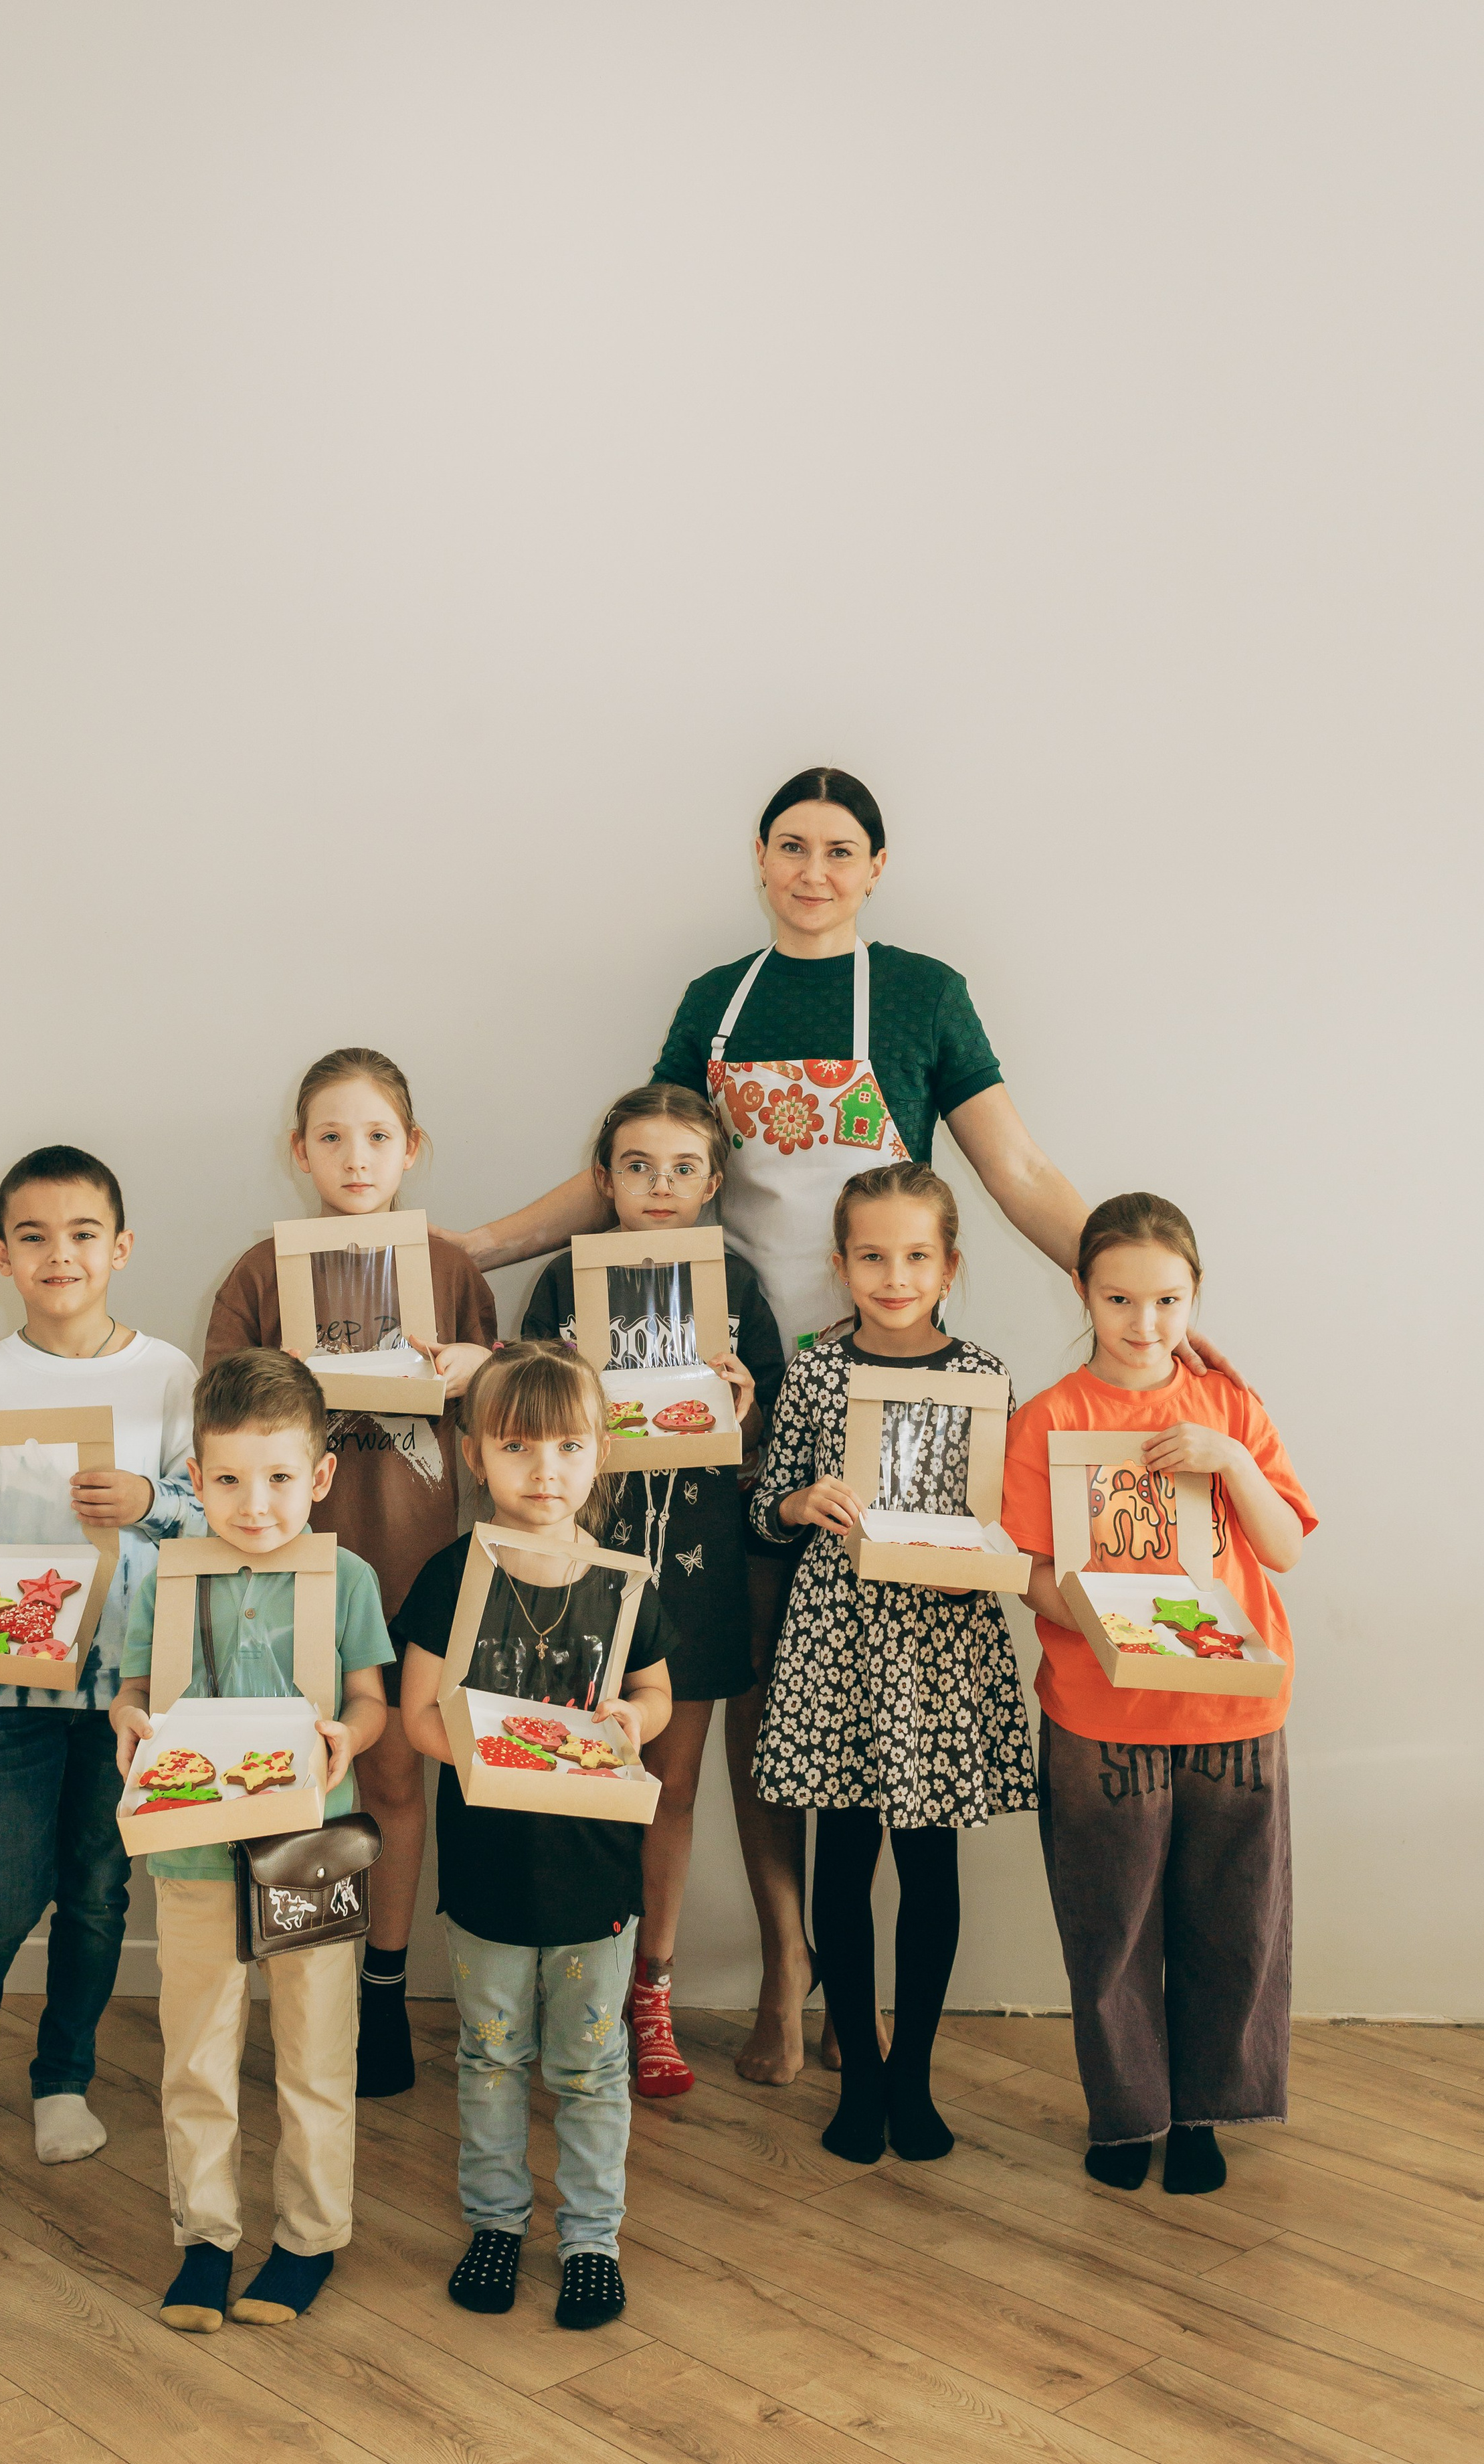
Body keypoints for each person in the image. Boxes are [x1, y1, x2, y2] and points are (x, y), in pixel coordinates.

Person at [460, 766, 1233, 2085]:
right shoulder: (716, 1001)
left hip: (887, 1393)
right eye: (788, 846)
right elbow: (629, 1166)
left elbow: (1017, 1171)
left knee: (807, 1698)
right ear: (757, 859)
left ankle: (804, 1983)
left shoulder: (924, 994)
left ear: (875, 866)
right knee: (751, 1696)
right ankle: (787, 1971)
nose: (811, 870)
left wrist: (1129, 1305)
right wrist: (461, 1250)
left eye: (837, 849)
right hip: (716, 1383)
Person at [1000, 1195, 1316, 2196]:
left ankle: (1205, 2112)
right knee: (1111, 1920)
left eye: (1168, 1300)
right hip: (1102, 1709)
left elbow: (1285, 1546)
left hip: (1235, 1708)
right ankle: (1127, 2113)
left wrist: (1225, 1458)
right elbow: (1026, 1568)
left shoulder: (1230, 1405)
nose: (1145, 1322)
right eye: (1120, 1297)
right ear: (1084, 1292)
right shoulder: (1050, 1417)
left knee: (1233, 1918)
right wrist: (1104, 1618)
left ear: (1196, 1296)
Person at [205, 1046, 496, 2097]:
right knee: (302, 1784)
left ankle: (381, 1985)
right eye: (331, 1135)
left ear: (412, 1148)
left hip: (417, 1575)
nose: (356, 1155)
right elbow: (220, 1426)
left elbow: (500, 1434)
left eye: (378, 1135)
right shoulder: (259, 1273)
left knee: (392, 1777)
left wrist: (483, 1368)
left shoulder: (452, 1270)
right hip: (293, 1585)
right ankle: (308, 1991)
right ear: (299, 1152)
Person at [0, 1144, 203, 2164]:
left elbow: (217, 1510)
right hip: (9, 1686)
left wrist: (147, 1503)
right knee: (0, 1892)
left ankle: (63, 2077)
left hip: (129, 1687)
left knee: (96, 1888)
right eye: (33, 1236)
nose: (60, 1254)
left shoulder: (170, 1373)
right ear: (1, 1253)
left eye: (83, 1234)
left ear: (120, 1247)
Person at [747, 1162, 1036, 2162]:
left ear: (950, 1264)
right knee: (845, 1855)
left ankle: (911, 2072)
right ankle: (858, 2076)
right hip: (840, 1643)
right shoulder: (819, 1374)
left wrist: (981, 1564)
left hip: (940, 1648)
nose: (895, 1274)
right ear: (840, 1265)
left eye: (916, 1255)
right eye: (873, 1255)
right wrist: (800, 1503)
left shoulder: (986, 1377)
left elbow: (1012, 1521)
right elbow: (766, 1504)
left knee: (929, 1864)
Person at [110, 1350, 393, 2329]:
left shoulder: (347, 1577)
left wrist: (349, 1735)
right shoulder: (167, 1577)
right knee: (197, 2048)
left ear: (319, 1476)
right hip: (193, 1851)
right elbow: (137, 1688)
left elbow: (371, 1696)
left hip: (310, 1848)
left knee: (318, 2047)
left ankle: (310, 2236)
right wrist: (130, 1719)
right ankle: (207, 2233)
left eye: (279, 1478)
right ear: (196, 1476)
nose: (255, 1503)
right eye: (227, 1479)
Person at [396, 1342, 674, 2331]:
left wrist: (633, 1723)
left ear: (601, 1450)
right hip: (488, 1870)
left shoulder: (620, 1582)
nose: (543, 1469)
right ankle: (497, 2224)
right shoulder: (451, 1574)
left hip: (596, 1874)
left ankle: (591, 2237)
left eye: (565, 1446)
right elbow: (418, 1711)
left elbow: (654, 1691)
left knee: (593, 2067)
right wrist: (484, 1755)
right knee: (490, 2054)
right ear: (475, 1455)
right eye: (517, 1446)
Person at [520, 1081, 781, 2097]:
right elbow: (521, 1425)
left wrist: (746, 1405)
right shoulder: (562, 1283)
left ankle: (651, 1990)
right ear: (605, 1180)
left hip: (699, 1574)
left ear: (714, 1182)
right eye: (637, 1166)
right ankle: (568, 1981)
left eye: (681, 1168)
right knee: (567, 1772)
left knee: (670, 1786)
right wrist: (565, 1379)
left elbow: (763, 1447)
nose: (659, 1186)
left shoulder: (739, 1286)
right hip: (575, 1568)